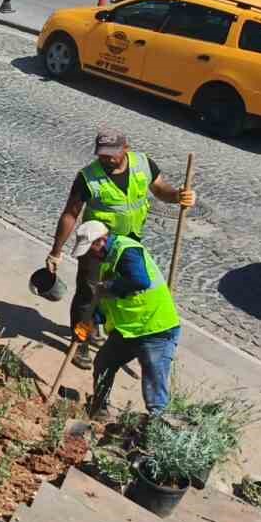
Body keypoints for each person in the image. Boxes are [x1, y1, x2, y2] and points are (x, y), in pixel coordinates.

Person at [47, 130, 195, 368]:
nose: (106, 159)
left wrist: (178, 196)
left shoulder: (142, 164)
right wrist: (56, 251)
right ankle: (80, 342)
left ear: (126, 148)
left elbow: (160, 190)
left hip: (128, 245)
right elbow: (71, 213)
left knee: (115, 293)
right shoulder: (88, 177)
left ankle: (98, 330)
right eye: (102, 155)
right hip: (95, 245)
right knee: (89, 294)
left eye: (112, 155)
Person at [70, 220, 183, 417]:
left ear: (102, 241)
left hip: (155, 329)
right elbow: (107, 303)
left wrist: (110, 286)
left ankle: (158, 432)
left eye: (90, 249)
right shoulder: (107, 263)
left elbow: (140, 280)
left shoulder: (128, 251)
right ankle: (99, 409)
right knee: (104, 363)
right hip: (129, 330)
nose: (89, 255)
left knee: (154, 390)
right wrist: (89, 324)